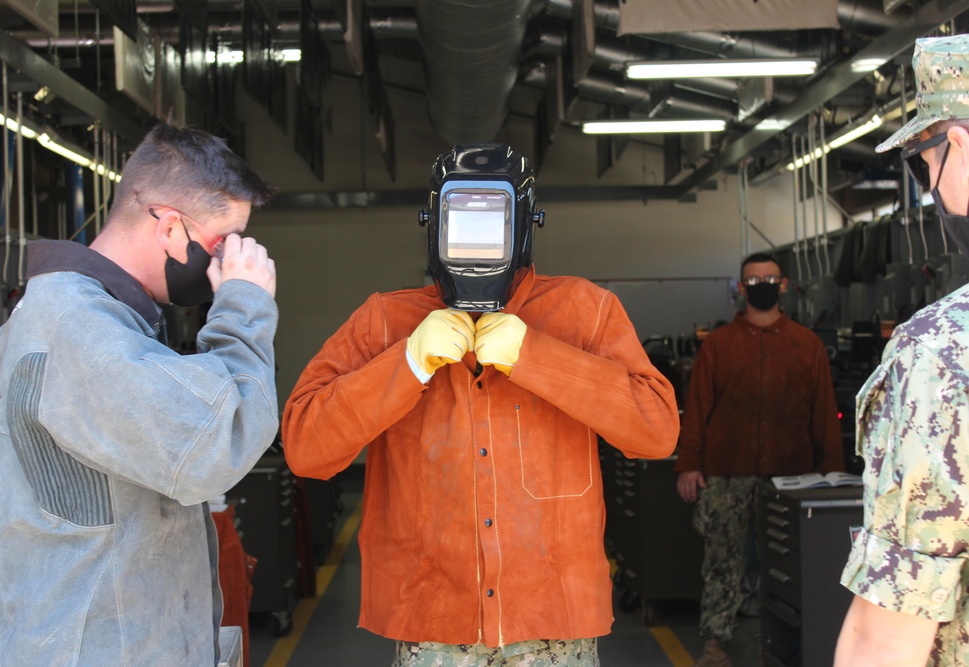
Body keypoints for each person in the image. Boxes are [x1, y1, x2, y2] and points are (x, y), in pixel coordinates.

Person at [281, 143, 679, 666]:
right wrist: (407, 363)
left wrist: (536, 357)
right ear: (433, 224)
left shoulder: (587, 313)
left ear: (525, 224)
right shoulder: (384, 322)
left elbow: (657, 431)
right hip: (434, 626)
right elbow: (305, 447)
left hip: (553, 626)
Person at [0, 123, 280, 665]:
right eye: (218, 244)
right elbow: (215, 447)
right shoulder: (77, 329)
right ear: (169, 226)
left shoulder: (85, 321)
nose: (220, 266)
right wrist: (243, 307)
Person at [835, 35, 969, 667]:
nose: (930, 187)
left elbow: (888, 634)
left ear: (960, 145)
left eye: (923, 162)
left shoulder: (942, 353)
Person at [675, 252, 844, 667]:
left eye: (769, 278)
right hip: (727, 471)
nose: (762, 285)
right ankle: (716, 645)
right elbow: (697, 407)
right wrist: (689, 463)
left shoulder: (807, 346)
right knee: (721, 562)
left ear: (782, 285)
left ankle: (787, 644)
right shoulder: (718, 346)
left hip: (793, 477)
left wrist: (832, 472)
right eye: (753, 280)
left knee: (791, 564)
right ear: (741, 289)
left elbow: (825, 412)